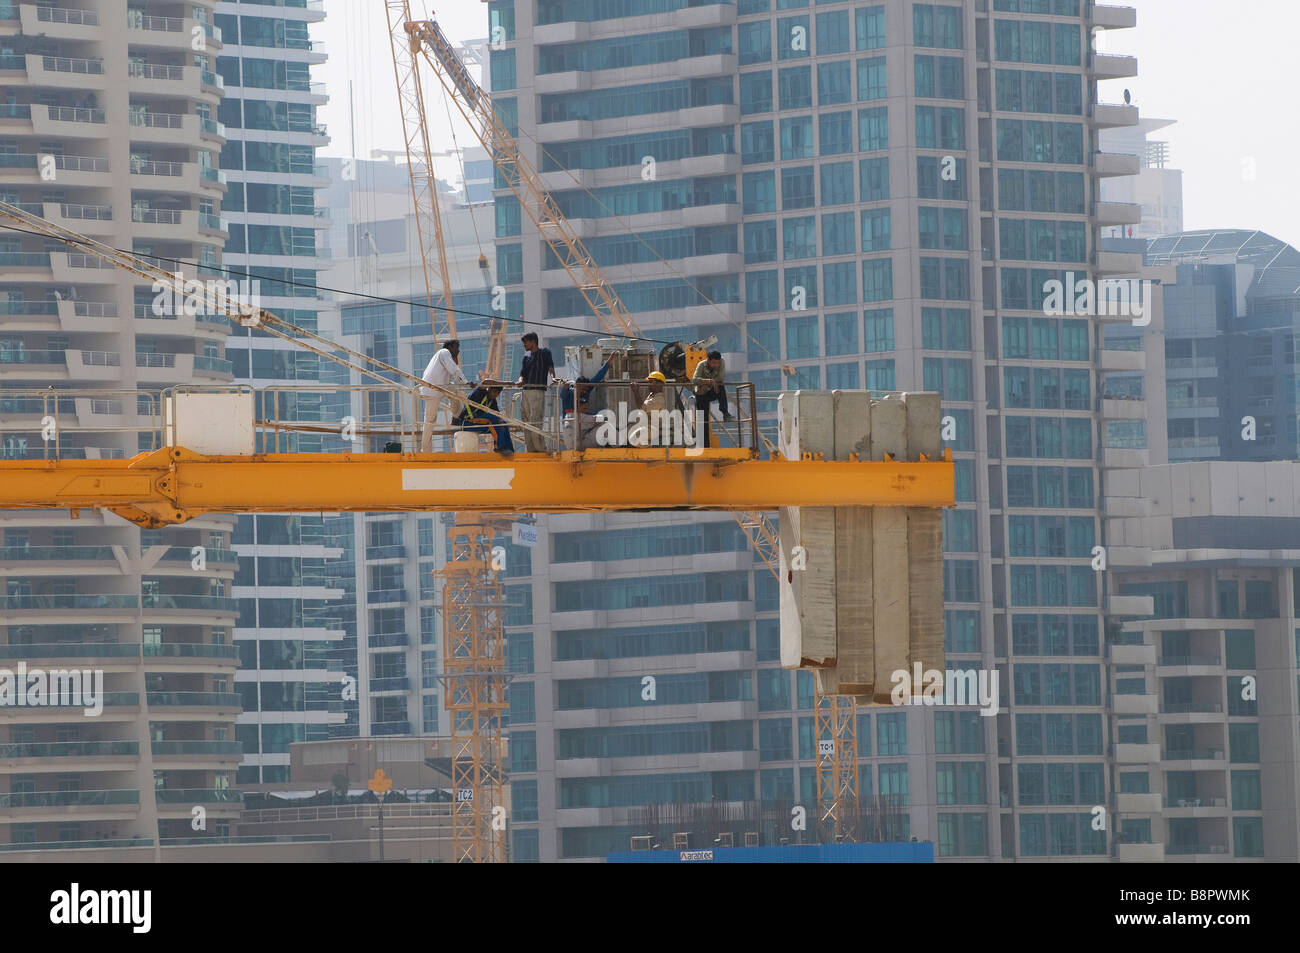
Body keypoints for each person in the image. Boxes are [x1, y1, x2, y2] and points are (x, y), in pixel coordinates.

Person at [420, 339, 471, 452]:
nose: (458, 351)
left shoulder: (445, 356)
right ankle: (426, 450)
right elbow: (454, 370)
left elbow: (454, 369)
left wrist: (455, 357)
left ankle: (456, 417)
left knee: (455, 389)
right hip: (432, 389)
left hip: (441, 386)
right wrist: (466, 383)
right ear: (450, 347)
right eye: (457, 348)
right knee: (430, 421)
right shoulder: (444, 352)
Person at [516, 332, 555, 452]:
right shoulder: (526, 357)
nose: (524, 345)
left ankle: (541, 449)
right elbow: (522, 374)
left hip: (537, 390)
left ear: (533, 341)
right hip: (526, 391)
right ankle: (531, 449)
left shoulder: (544, 352)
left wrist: (554, 378)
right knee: (526, 421)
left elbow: (550, 367)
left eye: (526, 342)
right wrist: (520, 381)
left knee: (535, 421)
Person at [453, 381, 514, 456]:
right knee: (491, 418)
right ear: (489, 389)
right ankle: (499, 447)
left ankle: (509, 449)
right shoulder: (480, 393)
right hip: (466, 423)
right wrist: (505, 383)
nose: (495, 395)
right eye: (494, 392)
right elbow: (485, 381)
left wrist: (501, 421)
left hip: (478, 424)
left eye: (498, 393)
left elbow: (497, 417)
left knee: (503, 423)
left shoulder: (492, 401)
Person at [692, 349, 730, 444]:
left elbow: (721, 377)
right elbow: (694, 380)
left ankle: (725, 412)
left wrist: (707, 382)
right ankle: (705, 445)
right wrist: (709, 381)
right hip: (701, 393)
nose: (716, 365)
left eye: (717, 363)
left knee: (721, 386)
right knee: (703, 420)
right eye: (713, 363)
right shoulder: (701, 365)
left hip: (713, 390)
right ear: (708, 360)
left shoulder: (721, 362)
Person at [628, 370, 668, 447]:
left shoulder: (659, 399)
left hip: (652, 429)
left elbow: (642, 407)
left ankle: (651, 447)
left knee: (635, 437)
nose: (648, 384)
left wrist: (636, 392)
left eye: (651, 382)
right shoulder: (651, 395)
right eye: (648, 382)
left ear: (659, 384)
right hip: (643, 426)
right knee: (626, 431)